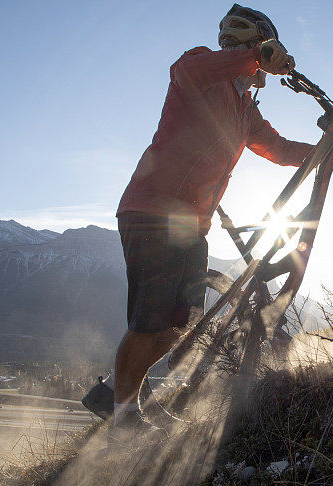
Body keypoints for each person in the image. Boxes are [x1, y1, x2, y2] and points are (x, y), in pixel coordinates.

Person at [81, 5, 315, 438]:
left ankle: (118, 392)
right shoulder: (199, 66)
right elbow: (187, 72)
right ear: (250, 45)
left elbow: (279, 149)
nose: (264, 68)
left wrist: (327, 149)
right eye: (262, 51)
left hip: (192, 225)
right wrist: (258, 55)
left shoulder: (245, 111)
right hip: (151, 212)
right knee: (149, 321)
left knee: (179, 322)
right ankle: (122, 417)